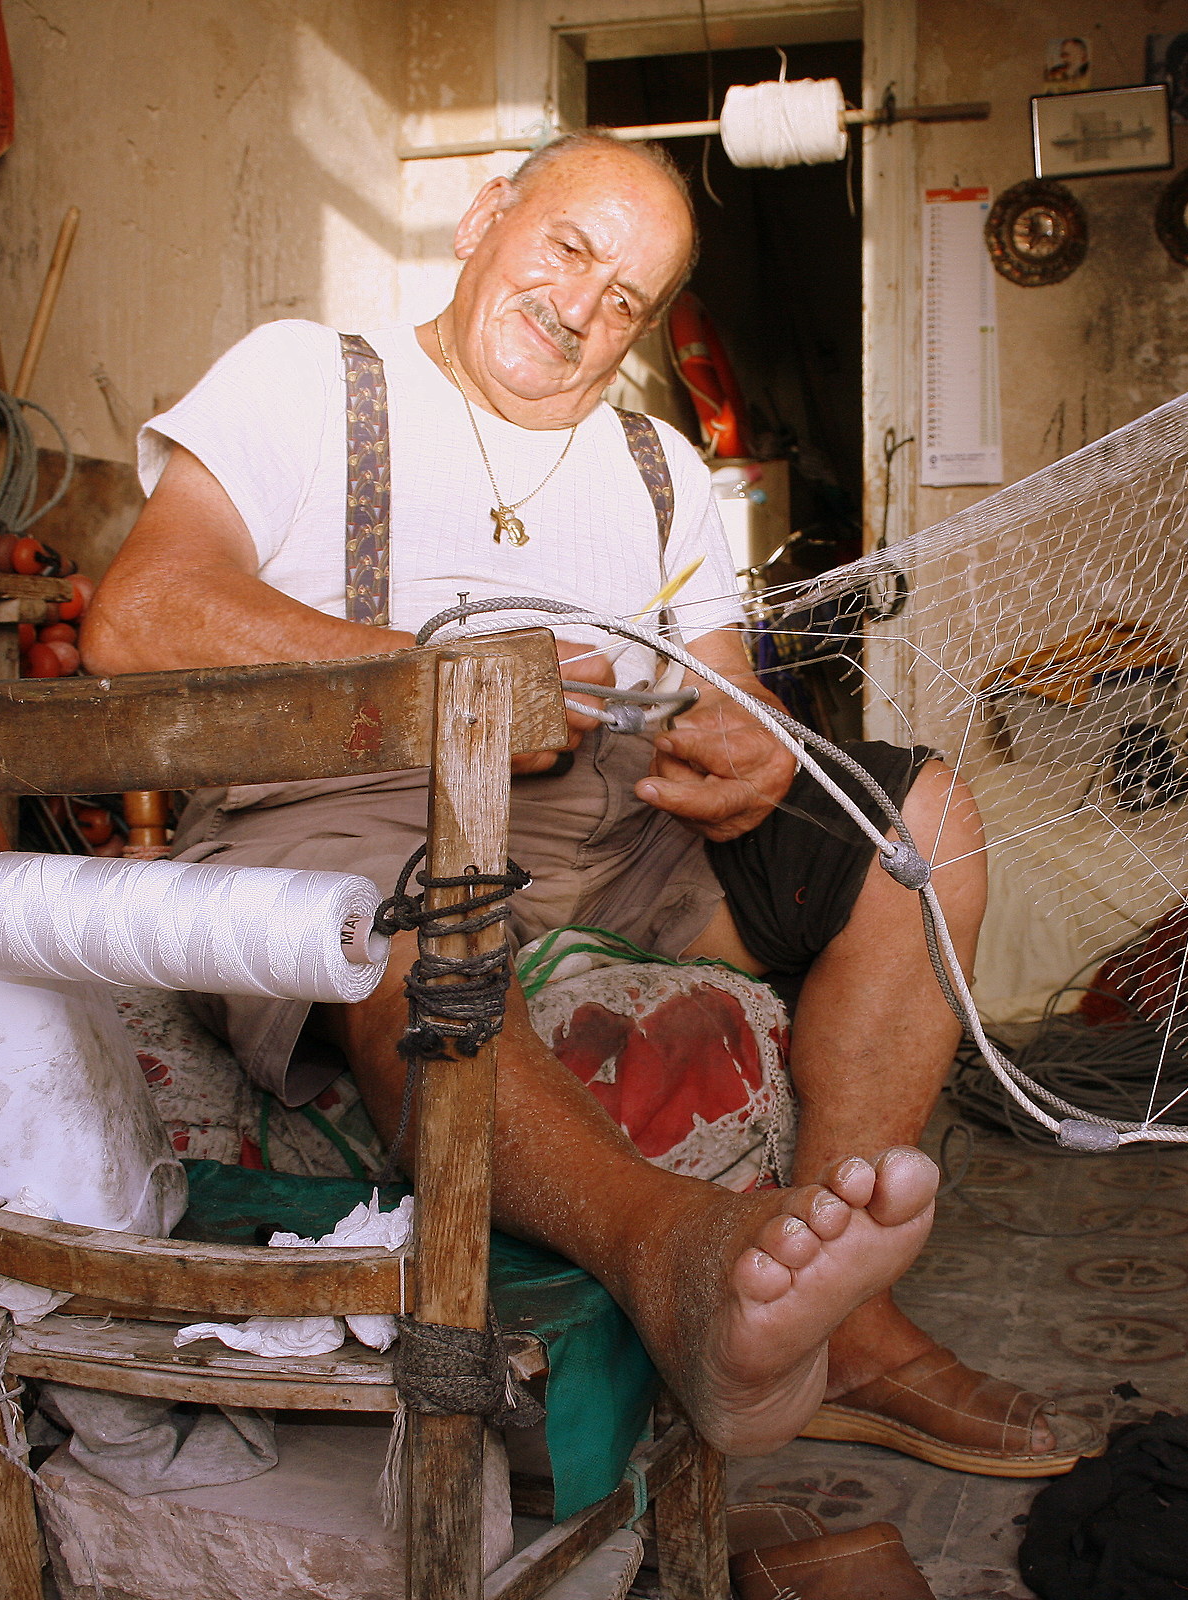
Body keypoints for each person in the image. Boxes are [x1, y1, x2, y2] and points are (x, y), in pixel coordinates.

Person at [83, 131, 1097, 1474]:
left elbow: (730, 693)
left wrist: (759, 751)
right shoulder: (310, 383)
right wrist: (440, 683)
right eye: (568, 249)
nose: (582, 308)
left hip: (615, 837)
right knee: (414, 921)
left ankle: (845, 1329)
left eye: (628, 299)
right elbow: (140, 619)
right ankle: (672, 1256)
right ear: (483, 220)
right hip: (349, 814)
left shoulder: (659, 463)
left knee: (924, 821)